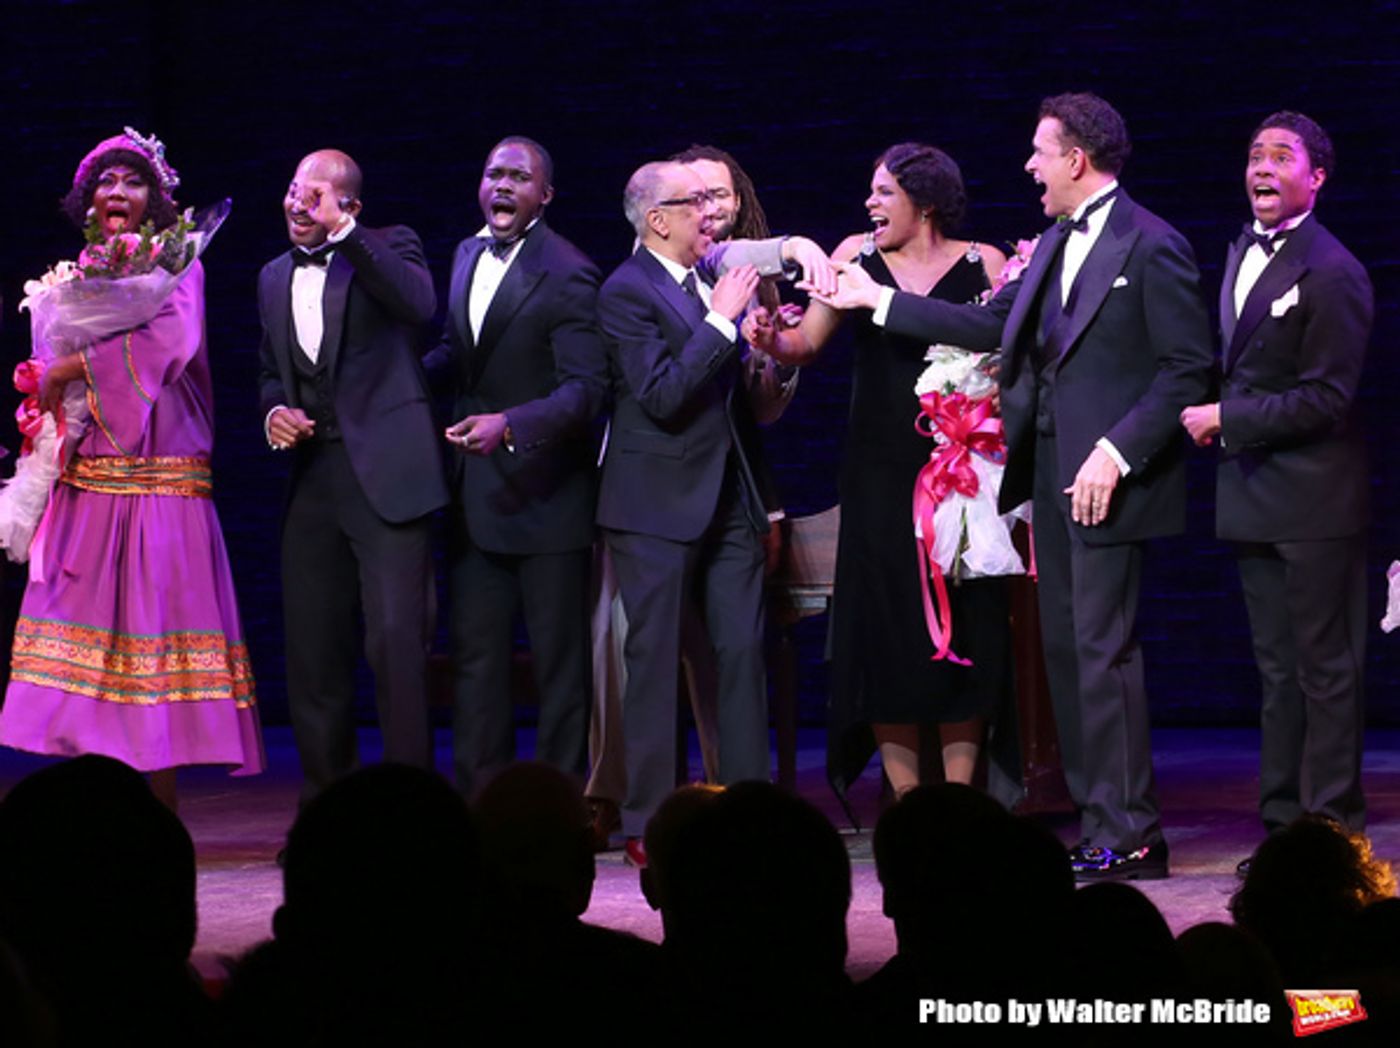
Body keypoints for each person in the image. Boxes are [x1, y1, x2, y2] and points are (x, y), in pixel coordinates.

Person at [813, 95, 1212, 880]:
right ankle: (1106, 823)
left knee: (1103, 655)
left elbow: (1185, 369)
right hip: (1053, 479)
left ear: (1076, 159)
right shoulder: (1055, 243)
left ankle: (1131, 833)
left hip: (1105, 478)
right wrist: (878, 301)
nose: (1029, 166)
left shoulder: (1151, 243)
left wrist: (1116, 452)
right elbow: (991, 327)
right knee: (1068, 655)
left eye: (1040, 152)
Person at [748, 142, 1021, 807]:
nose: (869, 203)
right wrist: (768, 339)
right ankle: (907, 801)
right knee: (887, 629)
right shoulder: (855, 257)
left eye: (883, 192)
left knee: (967, 628)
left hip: (961, 471)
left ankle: (960, 798)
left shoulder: (983, 261)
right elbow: (807, 344)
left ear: (925, 201)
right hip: (877, 473)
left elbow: (1003, 342)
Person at [0, 129, 263, 793]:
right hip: (91, 482)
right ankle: (92, 820)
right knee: (83, 675)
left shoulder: (178, 266)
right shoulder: (82, 272)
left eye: (133, 180)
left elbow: (169, 340)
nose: (118, 191)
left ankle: (155, 831)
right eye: (106, 182)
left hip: (156, 484)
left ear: (157, 198)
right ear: (87, 199)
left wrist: (68, 366)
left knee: (153, 666)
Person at [595, 159, 833, 853]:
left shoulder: (710, 274)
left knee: (739, 653)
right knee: (655, 659)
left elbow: (738, 403)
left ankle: (749, 810)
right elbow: (662, 396)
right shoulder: (624, 291)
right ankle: (648, 820)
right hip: (653, 505)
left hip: (730, 497)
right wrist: (722, 323)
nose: (709, 213)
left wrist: (760, 335)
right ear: (657, 219)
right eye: (692, 202)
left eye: (711, 199)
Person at [1180, 112, 1372, 849]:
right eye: (1254, 154)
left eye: (1281, 156)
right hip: (1255, 496)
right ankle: (1285, 831)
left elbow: (1328, 398)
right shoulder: (1238, 252)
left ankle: (1331, 838)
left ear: (1316, 177)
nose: (1261, 167)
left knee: (1326, 673)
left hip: (1316, 501)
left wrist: (1227, 418)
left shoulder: (1334, 269)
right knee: (1277, 674)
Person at [258, 149, 445, 801]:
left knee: (396, 647)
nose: (296, 204)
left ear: (348, 206)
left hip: (389, 474)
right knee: (313, 655)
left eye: (314, 195)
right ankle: (325, 808)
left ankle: (411, 810)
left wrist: (346, 236)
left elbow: (418, 304)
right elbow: (267, 372)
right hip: (314, 479)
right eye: (292, 190)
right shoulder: (272, 276)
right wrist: (275, 410)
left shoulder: (388, 246)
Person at [424, 136, 607, 795]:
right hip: (477, 497)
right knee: (477, 661)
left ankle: (557, 800)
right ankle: (480, 799)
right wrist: (399, 385)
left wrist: (512, 426)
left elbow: (586, 389)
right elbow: (457, 351)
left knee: (559, 666)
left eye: (518, 177)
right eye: (492, 173)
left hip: (548, 497)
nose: (502, 185)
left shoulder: (570, 271)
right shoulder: (466, 253)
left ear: (544, 194)